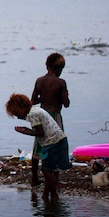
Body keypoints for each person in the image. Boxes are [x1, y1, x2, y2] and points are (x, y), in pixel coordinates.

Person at [5, 93, 70, 203]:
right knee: (49, 169)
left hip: (52, 142)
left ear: (22, 107)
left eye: (17, 114)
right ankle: (46, 195)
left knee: (46, 169)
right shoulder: (36, 110)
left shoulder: (32, 115)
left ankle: (54, 195)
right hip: (59, 140)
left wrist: (25, 131)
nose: (18, 117)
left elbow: (40, 133)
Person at [30, 53, 70, 187]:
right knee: (56, 146)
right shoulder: (61, 82)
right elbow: (66, 103)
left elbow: (33, 101)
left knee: (38, 147)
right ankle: (55, 180)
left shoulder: (39, 80)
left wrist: (45, 98)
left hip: (41, 115)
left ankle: (34, 178)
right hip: (54, 117)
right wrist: (65, 95)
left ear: (47, 66)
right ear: (60, 69)